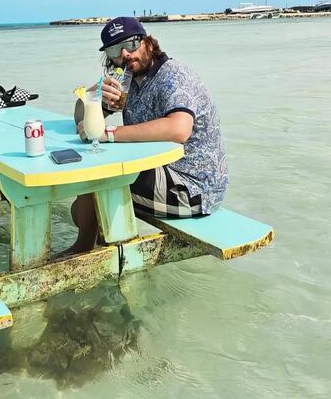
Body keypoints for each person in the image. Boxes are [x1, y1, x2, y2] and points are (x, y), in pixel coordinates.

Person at [68, 16, 228, 254]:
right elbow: (80, 119)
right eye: (115, 49)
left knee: (95, 182)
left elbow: (179, 129)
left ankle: (83, 252)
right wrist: (92, 94)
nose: (125, 54)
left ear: (148, 43)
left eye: (131, 44)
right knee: (80, 208)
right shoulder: (128, 81)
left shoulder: (174, 77)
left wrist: (110, 133)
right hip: (162, 173)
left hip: (191, 188)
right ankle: (101, 249)